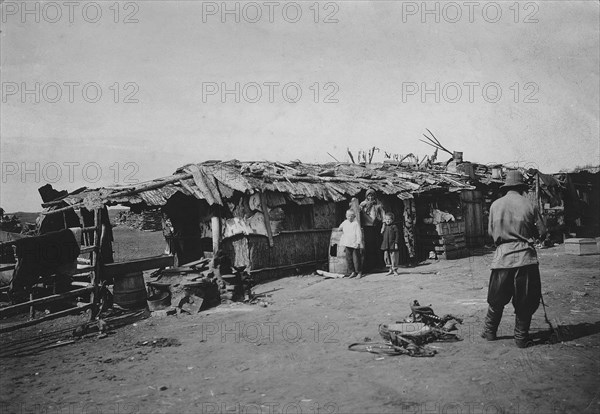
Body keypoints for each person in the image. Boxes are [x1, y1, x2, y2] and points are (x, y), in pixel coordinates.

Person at [481, 170, 546, 348]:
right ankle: (521, 338)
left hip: (502, 258)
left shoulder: (495, 205)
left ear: (507, 187)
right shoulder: (529, 204)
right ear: (521, 187)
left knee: (496, 299)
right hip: (525, 259)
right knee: (525, 301)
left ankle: (489, 332)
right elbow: (542, 232)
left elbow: (489, 233)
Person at [338, 209, 363, 279]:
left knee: (356, 259)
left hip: (354, 244)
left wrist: (358, 243)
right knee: (349, 259)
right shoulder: (345, 222)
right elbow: (340, 227)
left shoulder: (356, 223)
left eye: (352, 216)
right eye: (349, 216)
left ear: (354, 216)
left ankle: (359, 272)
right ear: (346, 216)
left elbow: (359, 234)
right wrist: (340, 229)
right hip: (347, 243)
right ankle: (352, 272)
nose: (350, 217)